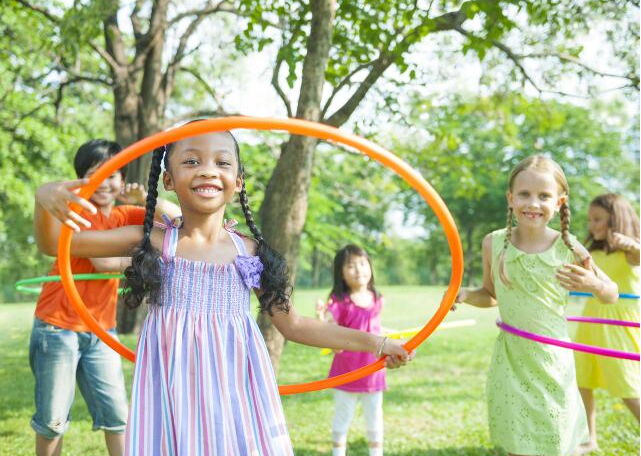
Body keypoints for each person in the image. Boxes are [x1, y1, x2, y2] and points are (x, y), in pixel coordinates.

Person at [35, 127, 414, 456]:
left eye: (221, 162)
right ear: (168, 180)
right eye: (191, 161)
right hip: (172, 393)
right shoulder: (151, 240)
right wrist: (44, 196)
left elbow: (295, 325)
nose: (207, 170)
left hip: (235, 394)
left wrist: (377, 343)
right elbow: (55, 245)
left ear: (238, 180)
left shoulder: (249, 252)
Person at [454, 155, 618, 456]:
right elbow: (491, 295)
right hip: (512, 360)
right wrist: (466, 294)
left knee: (556, 440)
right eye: (524, 194)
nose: (533, 203)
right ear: (510, 198)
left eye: (544, 196)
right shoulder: (493, 243)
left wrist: (594, 284)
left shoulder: (568, 247)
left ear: (559, 202)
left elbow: (612, 293)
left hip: (552, 360)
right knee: (518, 440)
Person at [31, 139, 179, 456]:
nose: (103, 182)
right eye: (93, 175)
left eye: (111, 174)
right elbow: (104, 263)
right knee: (53, 420)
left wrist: (147, 199)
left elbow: (180, 220)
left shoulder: (125, 215)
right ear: (79, 181)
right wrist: (148, 262)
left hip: (101, 329)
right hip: (57, 326)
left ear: (122, 179)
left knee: (118, 418)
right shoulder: (75, 213)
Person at [573, 193, 640, 453]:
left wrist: (632, 244)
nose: (592, 225)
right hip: (591, 320)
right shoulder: (591, 253)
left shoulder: (630, 253)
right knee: (582, 379)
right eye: (590, 220)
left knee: (626, 383)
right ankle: (589, 438)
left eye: (597, 219)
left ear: (616, 219)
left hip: (618, 324)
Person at [316, 245, 387, 456]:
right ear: (341, 272)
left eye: (363, 263)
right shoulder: (339, 302)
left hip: (373, 371)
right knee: (342, 417)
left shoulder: (377, 298)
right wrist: (322, 318)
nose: (358, 270)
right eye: (351, 266)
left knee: (374, 417)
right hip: (346, 371)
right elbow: (332, 337)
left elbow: (376, 329)